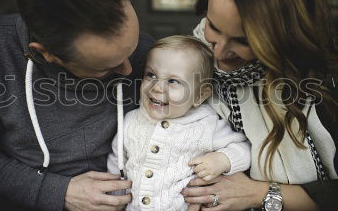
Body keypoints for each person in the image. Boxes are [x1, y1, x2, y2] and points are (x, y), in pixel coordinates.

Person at [0, 0, 154, 210]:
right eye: (106, 68)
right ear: (47, 54)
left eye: (132, 50)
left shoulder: (151, 53)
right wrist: (55, 191)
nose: (129, 71)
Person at [181, 0, 338, 211]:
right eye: (213, 27)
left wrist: (261, 193)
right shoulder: (188, 60)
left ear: (285, 35)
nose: (220, 52)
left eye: (243, 40)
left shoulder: (322, 83)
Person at [107, 35, 251, 210]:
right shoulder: (131, 120)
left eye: (173, 81)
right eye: (151, 75)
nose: (157, 87)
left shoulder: (206, 123)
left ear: (200, 95)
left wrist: (222, 160)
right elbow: (117, 162)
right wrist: (114, 196)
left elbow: (242, 149)